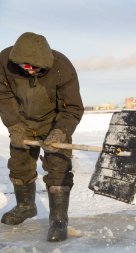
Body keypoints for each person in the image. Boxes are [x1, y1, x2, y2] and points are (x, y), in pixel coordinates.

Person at [0, 32, 84, 241]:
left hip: (54, 120)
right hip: (22, 121)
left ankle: (58, 219)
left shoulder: (61, 67)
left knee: (58, 168)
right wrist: (15, 126)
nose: (28, 70)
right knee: (19, 165)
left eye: (34, 67)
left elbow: (73, 108)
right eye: (24, 66)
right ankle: (26, 206)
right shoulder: (4, 61)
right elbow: (3, 95)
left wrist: (60, 131)